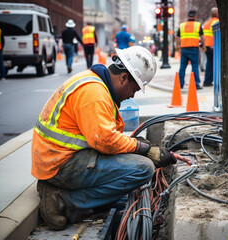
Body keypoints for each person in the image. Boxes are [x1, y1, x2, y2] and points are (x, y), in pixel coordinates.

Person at [31, 46, 177, 230]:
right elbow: (105, 141)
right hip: (60, 163)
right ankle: (63, 200)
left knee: (137, 157)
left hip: (57, 156)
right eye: (134, 89)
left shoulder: (94, 82)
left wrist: (139, 146)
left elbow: (103, 136)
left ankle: (67, 193)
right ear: (123, 77)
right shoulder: (95, 94)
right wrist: (145, 150)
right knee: (143, 168)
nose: (132, 95)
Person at [176, 10, 205, 89]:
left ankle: (180, 84)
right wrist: (203, 46)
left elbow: (177, 37)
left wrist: (177, 46)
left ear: (188, 16)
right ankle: (196, 84)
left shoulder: (182, 25)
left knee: (182, 67)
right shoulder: (198, 25)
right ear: (195, 16)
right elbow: (202, 37)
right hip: (194, 49)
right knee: (195, 67)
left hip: (184, 49)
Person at [203, 7, 219, 87]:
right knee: (215, 64)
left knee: (209, 63)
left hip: (207, 46)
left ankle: (208, 80)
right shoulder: (217, 22)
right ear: (216, 14)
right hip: (214, 46)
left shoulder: (207, 22)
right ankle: (212, 81)